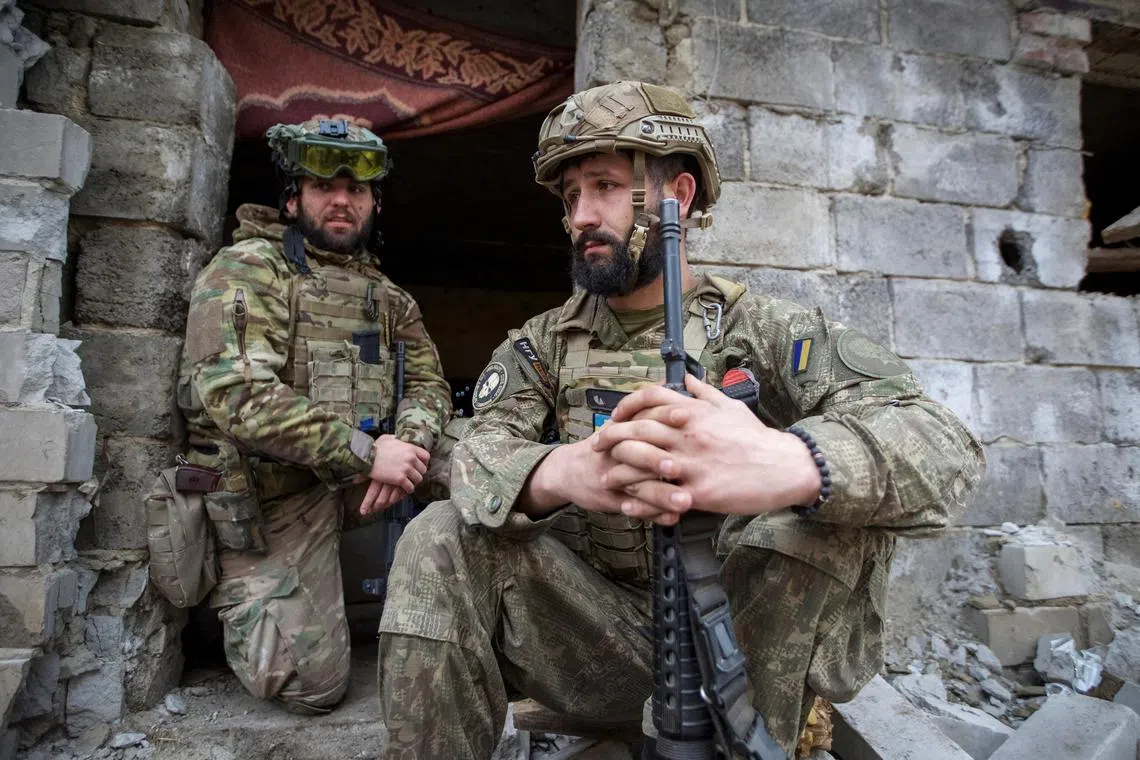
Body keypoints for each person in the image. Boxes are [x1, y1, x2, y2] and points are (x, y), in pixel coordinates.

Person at [375, 81, 984, 757]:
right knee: (438, 536)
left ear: (678, 198)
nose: (580, 214)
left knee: (810, 525)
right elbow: (459, 453)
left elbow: (941, 442)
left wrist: (789, 462)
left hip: (740, 651)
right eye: (571, 195)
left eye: (603, 185)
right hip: (594, 640)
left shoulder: (765, 330)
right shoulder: (542, 343)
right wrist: (557, 471)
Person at [176, 118, 451, 714]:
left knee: (481, 454)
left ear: (375, 202)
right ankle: (242, 591)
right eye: (326, 186)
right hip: (275, 498)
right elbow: (237, 396)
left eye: (357, 190)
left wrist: (408, 442)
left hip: (359, 482)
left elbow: (430, 382)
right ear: (294, 196)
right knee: (313, 688)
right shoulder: (250, 269)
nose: (342, 200)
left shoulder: (386, 295)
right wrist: (367, 453)